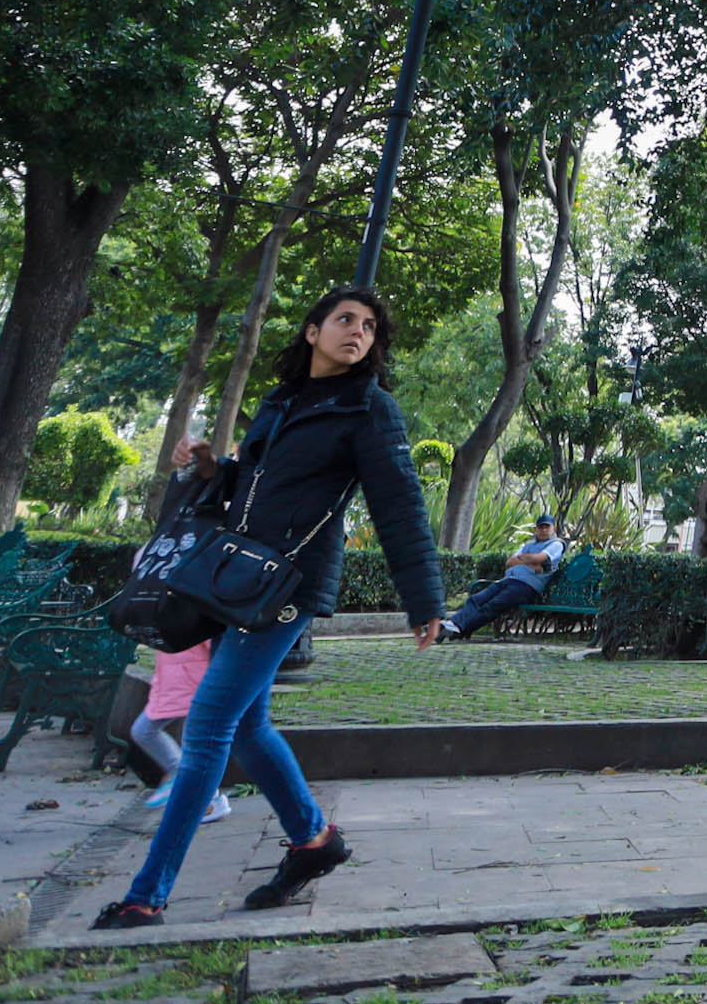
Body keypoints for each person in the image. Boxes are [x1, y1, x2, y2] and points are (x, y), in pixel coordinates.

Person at [90, 285, 443, 930]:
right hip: (234, 582)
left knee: (207, 726)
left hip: (288, 587)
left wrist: (424, 601)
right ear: (312, 332)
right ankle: (313, 843)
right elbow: (248, 487)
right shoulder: (280, 403)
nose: (357, 332)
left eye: (368, 326)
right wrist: (207, 468)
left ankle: (148, 894)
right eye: (344, 320)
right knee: (247, 728)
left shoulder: (369, 409)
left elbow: (399, 505)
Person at [129, 640, 228, 824]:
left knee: (192, 742)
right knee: (146, 731)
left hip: (191, 680)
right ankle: (188, 783)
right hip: (175, 680)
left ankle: (205, 800)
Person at [432, 516, 569, 641]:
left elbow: (540, 558)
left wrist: (526, 559)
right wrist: (532, 562)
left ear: (554, 528)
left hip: (527, 586)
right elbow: (509, 562)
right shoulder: (528, 545)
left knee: (492, 606)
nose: (544, 530)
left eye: (547, 527)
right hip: (508, 580)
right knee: (476, 599)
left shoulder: (556, 544)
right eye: (541, 527)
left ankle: (456, 629)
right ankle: (453, 625)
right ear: (536, 529)